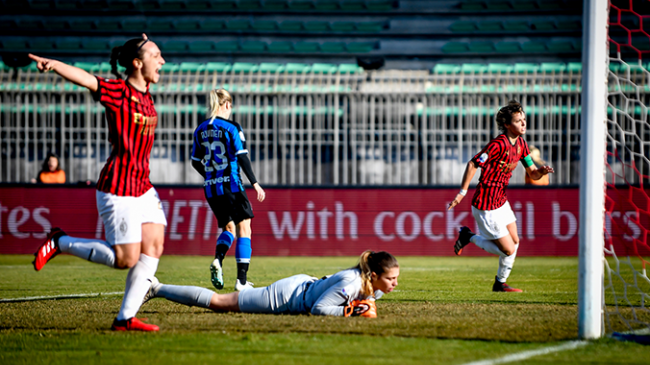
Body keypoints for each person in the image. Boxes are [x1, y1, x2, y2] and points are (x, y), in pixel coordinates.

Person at [29, 34, 167, 331]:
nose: (162, 61)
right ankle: (60, 241)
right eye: (156, 55)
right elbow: (88, 80)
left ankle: (124, 319)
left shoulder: (146, 94)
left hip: (142, 185)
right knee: (125, 259)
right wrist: (55, 65)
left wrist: (142, 42)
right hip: (118, 188)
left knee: (154, 246)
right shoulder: (120, 92)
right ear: (137, 63)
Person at [448, 100, 554, 292]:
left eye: (524, 119)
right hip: (486, 205)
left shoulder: (522, 144)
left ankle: (500, 283)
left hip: (501, 202)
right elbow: (473, 164)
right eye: (518, 121)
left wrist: (542, 171)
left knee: (515, 241)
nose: (523, 123)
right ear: (507, 125)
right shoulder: (498, 145)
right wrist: (462, 192)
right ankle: (468, 236)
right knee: (509, 249)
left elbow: (532, 173)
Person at [143, 250, 399, 317]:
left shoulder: (370, 284)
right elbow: (319, 309)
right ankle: (156, 287)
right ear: (374, 275)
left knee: (239, 298)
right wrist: (349, 311)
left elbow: (365, 303)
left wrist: (364, 306)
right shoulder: (352, 282)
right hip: (287, 297)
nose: (395, 283)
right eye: (391, 278)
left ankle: (249, 291)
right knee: (220, 303)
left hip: (301, 288)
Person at [190, 89, 265, 292]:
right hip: (231, 184)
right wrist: (255, 183)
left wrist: (209, 175)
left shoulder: (200, 129)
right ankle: (241, 280)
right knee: (244, 228)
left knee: (229, 229)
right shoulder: (232, 128)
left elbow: (195, 162)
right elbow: (242, 156)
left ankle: (218, 259)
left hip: (212, 188)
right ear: (227, 105)